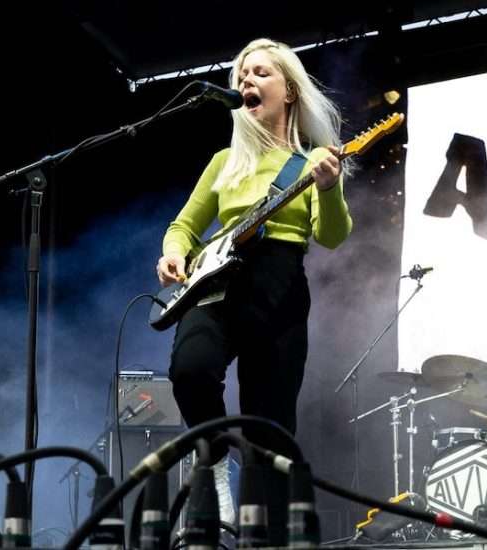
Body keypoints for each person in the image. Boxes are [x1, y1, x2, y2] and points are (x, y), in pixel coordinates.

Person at [156, 38, 353, 542]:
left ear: (289, 89)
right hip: (218, 282)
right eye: (242, 76)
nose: (247, 82)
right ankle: (216, 460)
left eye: (260, 73)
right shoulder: (225, 161)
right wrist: (173, 252)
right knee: (191, 369)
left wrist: (328, 189)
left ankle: (262, 534)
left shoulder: (313, 162)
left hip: (279, 280)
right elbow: (183, 227)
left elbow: (331, 236)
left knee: (270, 424)